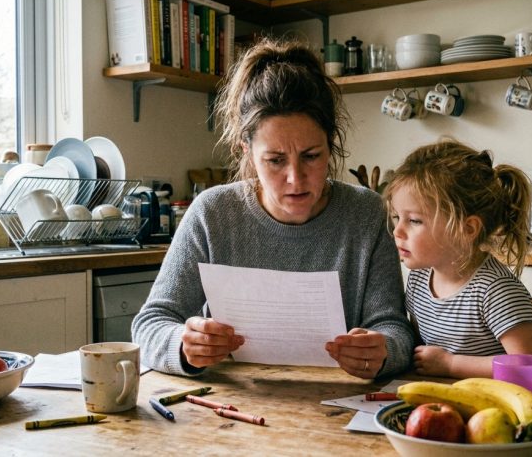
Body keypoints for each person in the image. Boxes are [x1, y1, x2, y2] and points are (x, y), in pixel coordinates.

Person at [132, 38, 414, 379]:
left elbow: (395, 329)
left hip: (339, 398)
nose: (295, 178)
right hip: (229, 402)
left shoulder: (366, 213)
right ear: (247, 153)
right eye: (275, 160)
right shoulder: (212, 214)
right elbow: (150, 324)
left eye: (311, 156)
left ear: (331, 145)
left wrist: (382, 350)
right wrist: (184, 345)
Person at [384, 138, 532, 379]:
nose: (397, 231)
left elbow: (530, 367)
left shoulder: (495, 290)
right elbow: (420, 352)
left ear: (467, 229)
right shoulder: (418, 279)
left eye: (415, 220)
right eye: (397, 217)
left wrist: (451, 364)